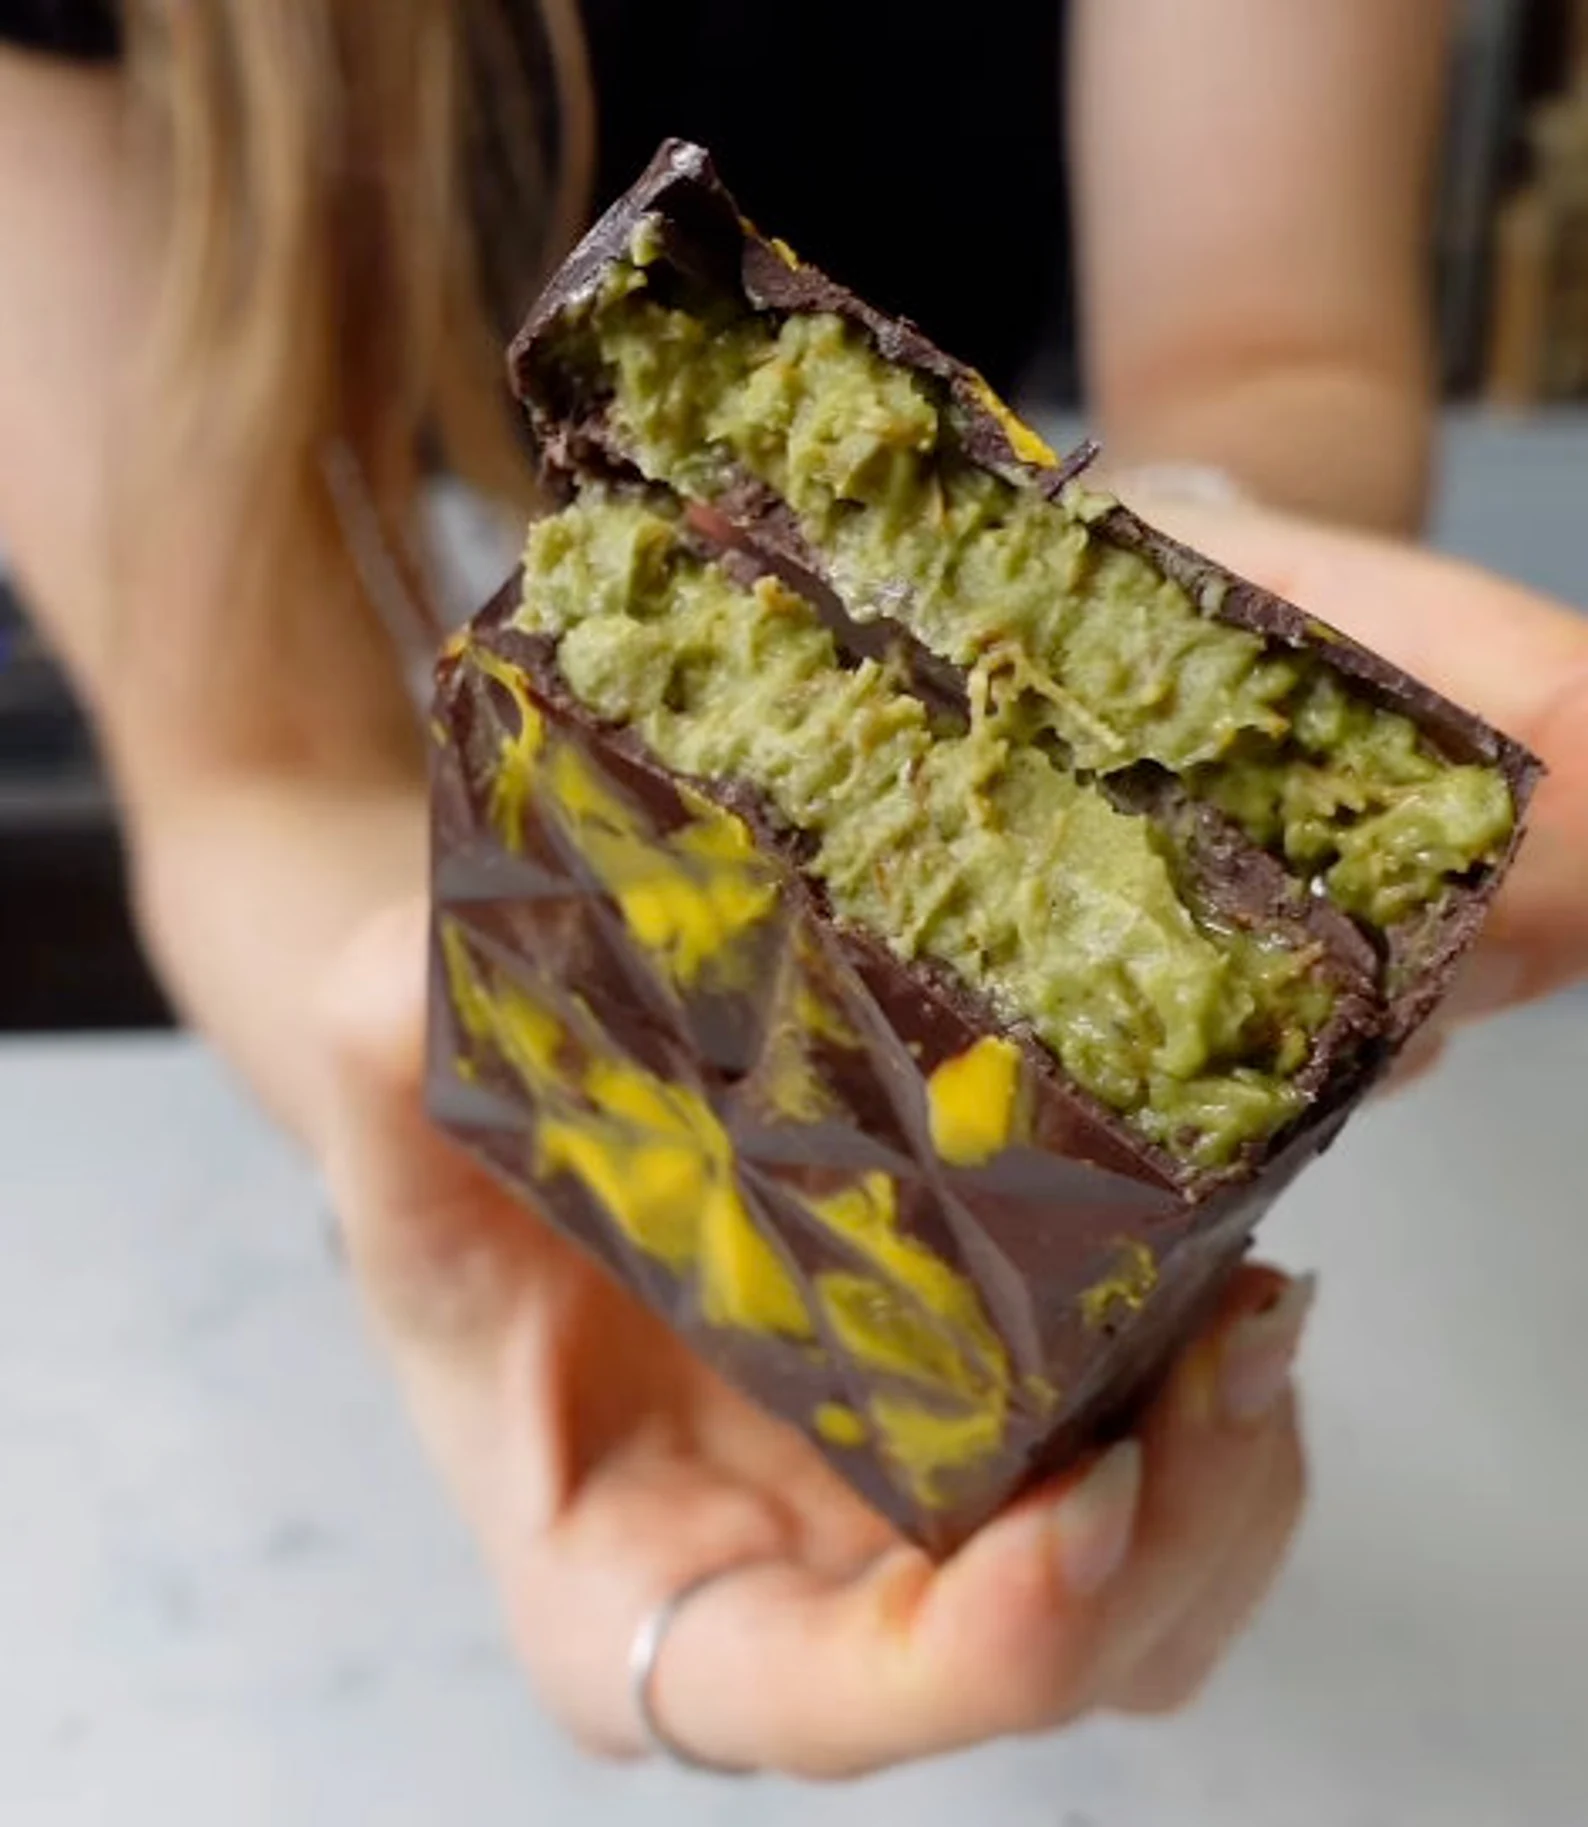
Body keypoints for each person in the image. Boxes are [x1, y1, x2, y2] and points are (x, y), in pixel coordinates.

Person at [2, 0, 1585, 1777]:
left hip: (1055, 496)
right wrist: (487, 1115)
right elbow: (252, 758)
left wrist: (1198, 542)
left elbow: (1275, 346)